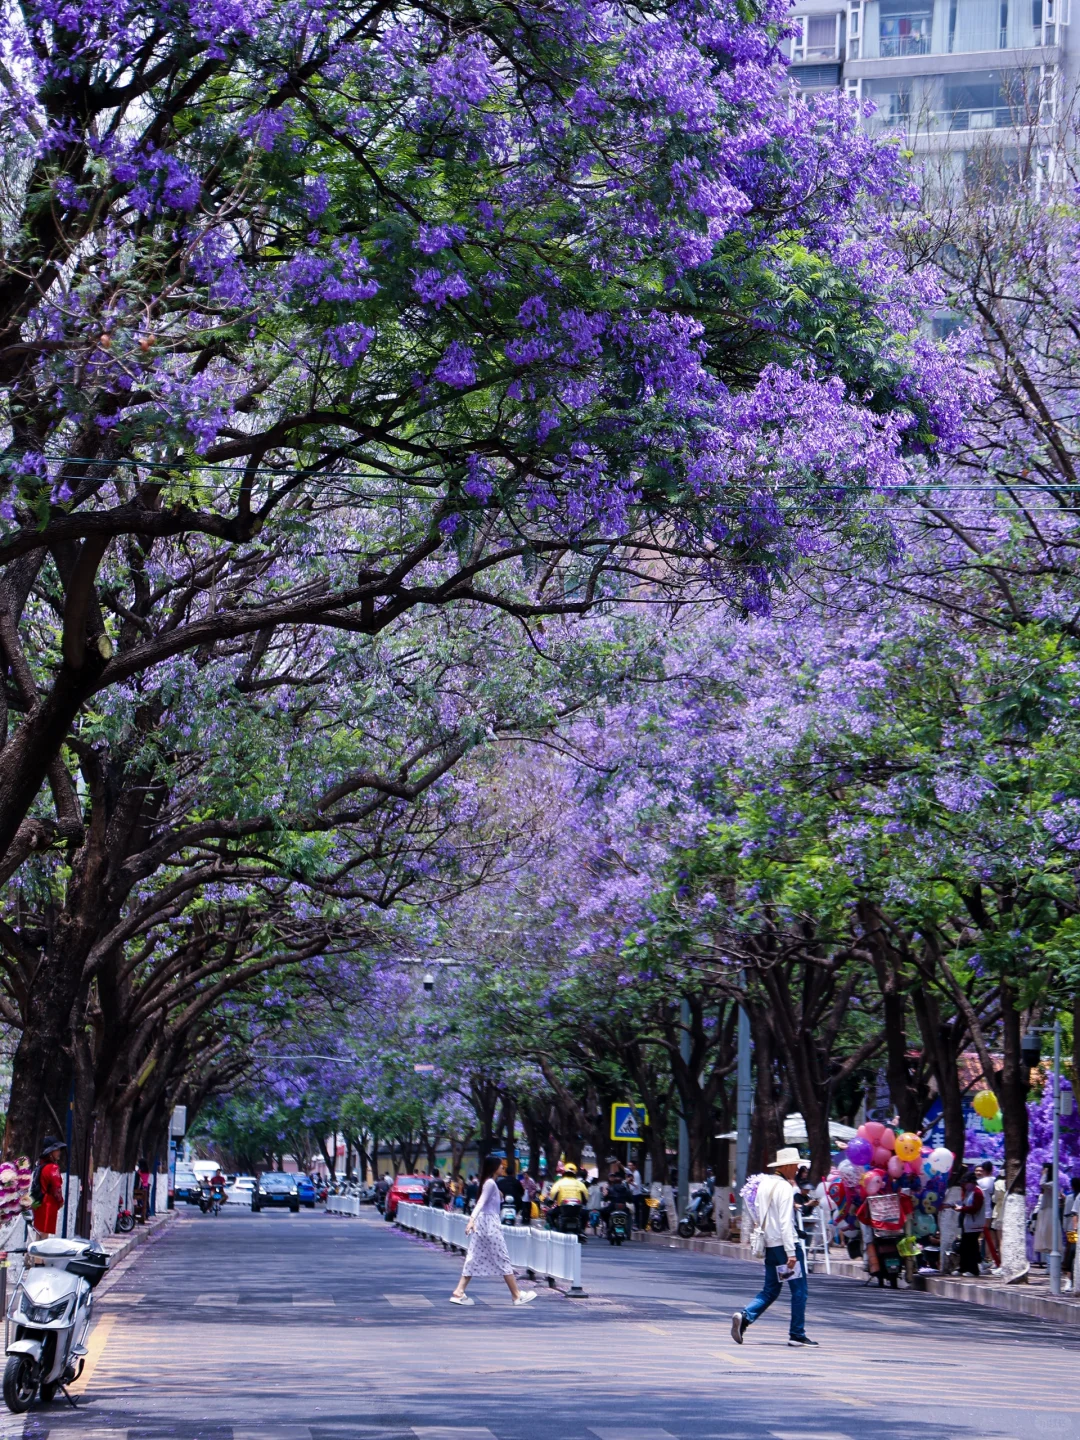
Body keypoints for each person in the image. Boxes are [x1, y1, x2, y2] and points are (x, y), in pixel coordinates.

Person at [731, 1147, 815, 1348]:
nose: (797, 1168)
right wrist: (791, 1253)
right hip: (786, 1245)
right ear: (785, 1166)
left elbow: (755, 1212)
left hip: (770, 1246)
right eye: (794, 1165)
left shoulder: (764, 1185)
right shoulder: (785, 1188)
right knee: (799, 1291)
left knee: (770, 1290)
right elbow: (786, 1222)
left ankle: (745, 1317)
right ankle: (797, 1334)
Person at [450, 1156, 537, 1307]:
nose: (503, 1167)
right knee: (502, 1257)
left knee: (473, 1257)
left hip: (483, 1223)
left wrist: (499, 1195)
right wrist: (471, 1219)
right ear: (493, 1168)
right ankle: (516, 1295)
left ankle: (459, 1291)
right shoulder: (490, 1183)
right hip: (489, 1224)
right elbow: (481, 1202)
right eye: (500, 1166)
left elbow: (486, 1201)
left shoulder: (491, 1184)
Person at [31, 1137, 66, 1237]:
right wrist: (60, 1201)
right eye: (57, 1150)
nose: (59, 1152)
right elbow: (57, 1188)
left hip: (38, 1202)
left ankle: (34, 1252)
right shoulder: (52, 1168)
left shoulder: (41, 1165)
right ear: (51, 1152)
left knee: (39, 1233)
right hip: (48, 1203)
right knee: (44, 1235)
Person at [955, 1170, 984, 1276]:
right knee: (964, 1247)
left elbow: (975, 1208)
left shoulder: (977, 1192)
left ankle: (973, 1270)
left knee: (971, 1247)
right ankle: (963, 1268)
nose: (965, 1185)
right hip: (968, 1224)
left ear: (972, 1182)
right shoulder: (969, 1193)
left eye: (966, 1183)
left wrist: (962, 1209)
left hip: (974, 1224)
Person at [977, 1162, 999, 1268]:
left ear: (984, 1170)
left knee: (982, 1237)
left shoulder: (980, 1182)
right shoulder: (995, 1181)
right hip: (991, 1211)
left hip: (981, 1212)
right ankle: (991, 1259)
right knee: (991, 1236)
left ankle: (986, 1259)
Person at [1033, 1162, 1055, 1264]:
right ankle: (1049, 1264)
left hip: (1049, 1213)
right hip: (1045, 1212)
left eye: (1044, 1169)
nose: (1041, 1172)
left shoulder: (1052, 1183)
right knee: (1046, 1238)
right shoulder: (1050, 1184)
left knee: (1049, 1238)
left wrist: (1044, 1174)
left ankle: (1051, 1265)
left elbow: (1041, 1183)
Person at [1062, 1175, 1080, 1290]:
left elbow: (1067, 1214)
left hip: (1071, 1229)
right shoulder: (1075, 1198)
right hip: (1074, 1230)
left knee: (1070, 1254)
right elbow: (1074, 1214)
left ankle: (1069, 1280)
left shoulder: (1069, 1198)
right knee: (1072, 1253)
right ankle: (1069, 1280)